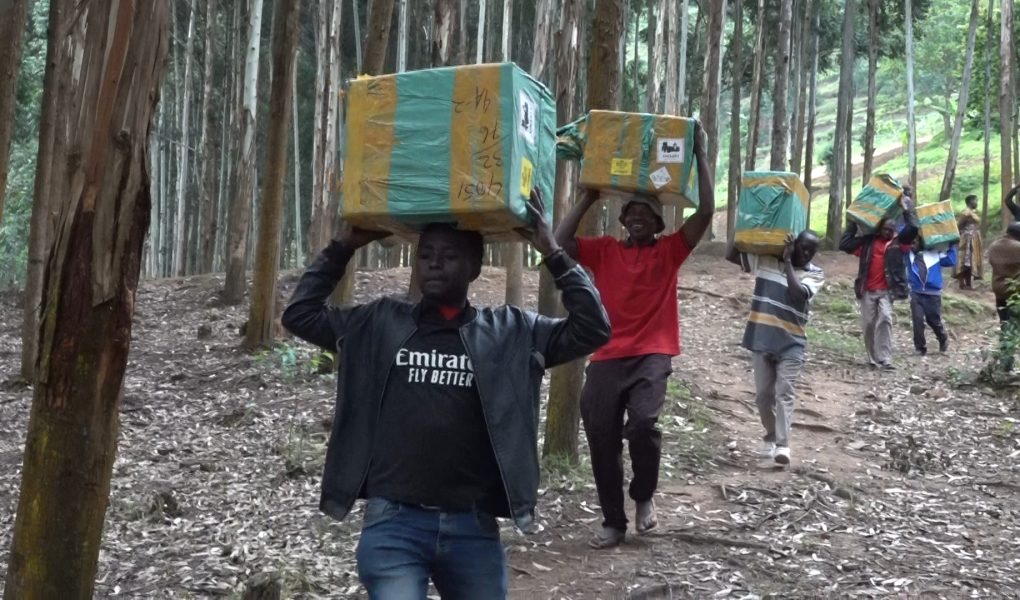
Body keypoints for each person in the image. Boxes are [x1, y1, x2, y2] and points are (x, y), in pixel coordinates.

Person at [281, 190, 611, 599]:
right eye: (425, 255)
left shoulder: (512, 331)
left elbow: (594, 328)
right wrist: (342, 247)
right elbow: (300, 315)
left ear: (475, 267)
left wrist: (552, 251)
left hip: (473, 529)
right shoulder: (378, 323)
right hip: (394, 524)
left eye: (449, 255)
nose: (434, 263)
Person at [554, 126, 714, 549]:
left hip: (652, 354)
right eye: (632, 213)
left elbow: (706, 213)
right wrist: (589, 196)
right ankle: (613, 521)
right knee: (600, 434)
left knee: (643, 424)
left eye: (647, 214)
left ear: (659, 224)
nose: (639, 218)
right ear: (623, 220)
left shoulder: (670, 251)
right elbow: (558, 242)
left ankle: (643, 495)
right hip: (607, 356)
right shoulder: (605, 250)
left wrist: (700, 154)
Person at [728, 231, 824, 465]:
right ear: (793, 244)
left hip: (792, 343)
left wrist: (788, 260)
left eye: (811, 250)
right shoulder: (767, 261)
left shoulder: (815, 273)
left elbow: (799, 294)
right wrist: (742, 227)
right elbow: (731, 254)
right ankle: (771, 434)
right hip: (762, 338)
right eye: (803, 247)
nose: (807, 253)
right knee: (763, 397)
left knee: (784, 392)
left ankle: (783, 445)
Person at [839, 192, 919, 370]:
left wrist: (906, 210)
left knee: (885, 318)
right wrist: (854, 221)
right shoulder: (868, 242)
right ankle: (871, 358)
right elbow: (844, 244)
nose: (889, 232)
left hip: (887, 291)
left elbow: (913, 228)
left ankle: (884, 358)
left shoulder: (898, 243)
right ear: (879, 229)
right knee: (868, 324)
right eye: (886, 229)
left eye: (892, 230)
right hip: (867, 289)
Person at [906, 238, 957, 355]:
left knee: (933, 319)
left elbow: (951, 260)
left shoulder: (934, 254)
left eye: (914, 242)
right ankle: (920, 348)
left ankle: (942, 337)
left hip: (933, 293)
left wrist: (951, 245)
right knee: (917, 320)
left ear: (921, 243)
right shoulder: (908, 256)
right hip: (916, 292)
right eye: (910, 243)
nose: (912, 246)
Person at [988, 222, 1020, 372]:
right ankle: (1007, 364)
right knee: (1014, 328)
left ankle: (1005, 362)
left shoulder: (994, 246)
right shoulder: (1017, 247)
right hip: (1015, 293)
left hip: (999, 291)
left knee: (1005, 325)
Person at [954, 195, 984, 290]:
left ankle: (969, 283)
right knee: (964, 259)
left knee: (971, 260)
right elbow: (959, 225)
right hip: (966, 239)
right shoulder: (965, 212)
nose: (977, 203)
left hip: (974, 238)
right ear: (970, 201)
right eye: (975, 200)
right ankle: (961, 283)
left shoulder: (972, 212)